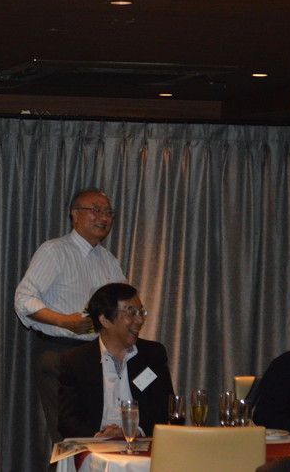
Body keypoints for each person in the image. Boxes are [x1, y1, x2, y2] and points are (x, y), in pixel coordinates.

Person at [14, 188, 126, 445]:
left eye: (109, 212)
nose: (104, 217)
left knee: (98, 433)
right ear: (75, 215)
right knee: (68, 437)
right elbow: (24, 300)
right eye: (96, 210)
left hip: (98, 355)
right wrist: (66, 321)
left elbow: (123, 303)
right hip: (59, 353)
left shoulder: (108, 260)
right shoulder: (54, 251)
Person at [58, 283, 173, 438]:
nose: (139, 320)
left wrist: (135, 431)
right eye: (131, 313)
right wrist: (99, 437)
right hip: (95, 445)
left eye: (141, 312)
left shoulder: (152, 354)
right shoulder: (76, 361)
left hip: (140, 442)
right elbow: (68, 421)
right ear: (105, 320)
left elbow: (164, 408)